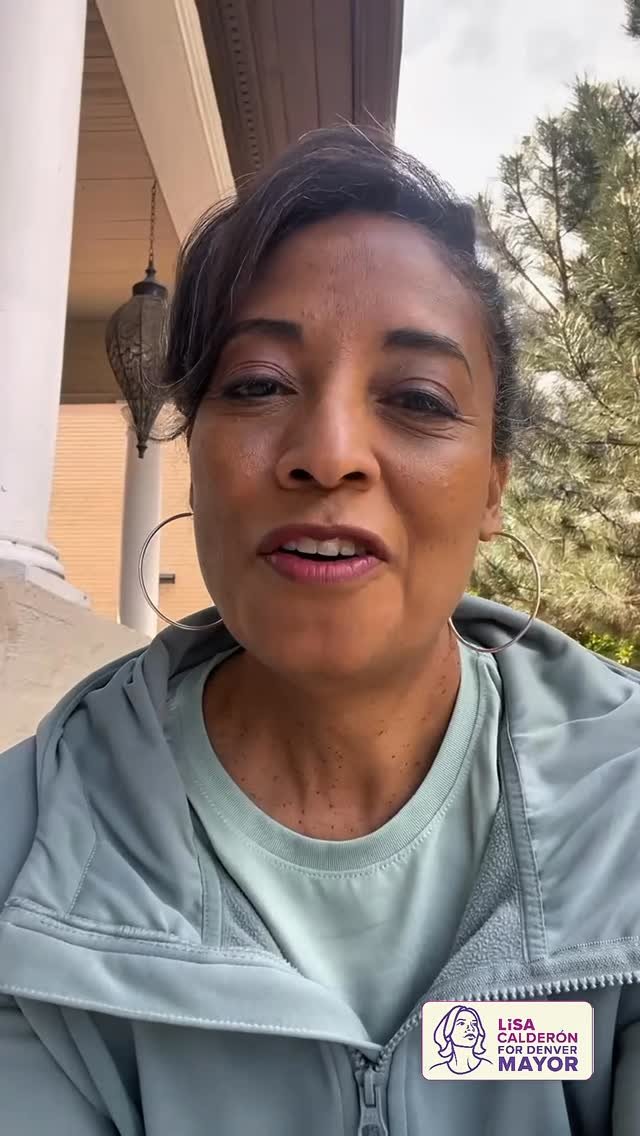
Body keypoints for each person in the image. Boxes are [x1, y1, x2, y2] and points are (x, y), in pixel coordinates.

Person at [0, 125, 639, 1136]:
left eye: (417, 398)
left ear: (492, 487)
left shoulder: (626, 809)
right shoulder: (22, 852)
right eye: (258, 384)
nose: (330, 452)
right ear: (195, 448)